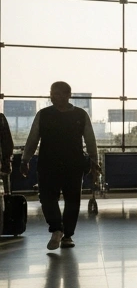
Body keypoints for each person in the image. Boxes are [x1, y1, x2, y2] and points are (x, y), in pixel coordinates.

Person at [19, 82, 99, 250]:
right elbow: (33, 139)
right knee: (47, 198)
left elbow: (90, 140)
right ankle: (57, 229)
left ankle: (67, 234)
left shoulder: (80, 115)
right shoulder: (43, 114)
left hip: (73, 164)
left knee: (72, 200)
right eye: (54, 93)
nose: (57, 97)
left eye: (61, 94)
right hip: (48, 164)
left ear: (69, 95)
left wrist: (94, 161)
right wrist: (25, 159)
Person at [0, 110, 12, 224]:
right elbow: (7, 143)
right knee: (5, 196)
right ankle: (7, 222)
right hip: (2, 164)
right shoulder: (1, 118)